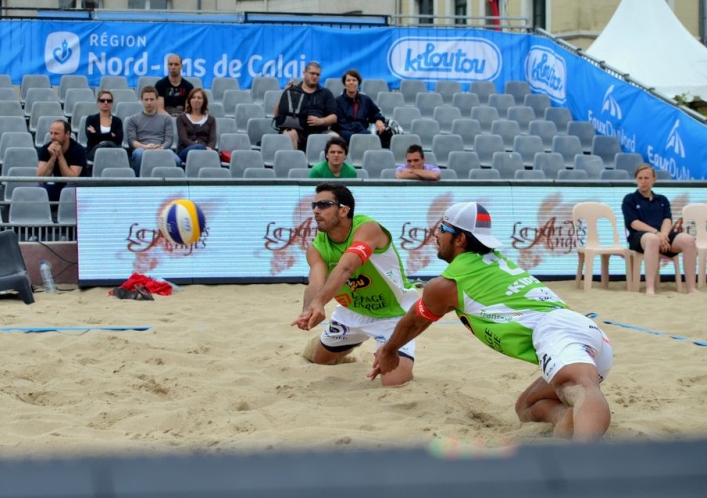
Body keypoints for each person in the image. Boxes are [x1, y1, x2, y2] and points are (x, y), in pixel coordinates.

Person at [369, 201, 614, 442]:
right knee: (527, 406)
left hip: (555, 328)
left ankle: (585, 459)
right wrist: (391, 349)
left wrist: (389, 350)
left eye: (442, 230)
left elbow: (413, 321)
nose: (436, 236)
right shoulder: (490, 261)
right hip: (586, 336)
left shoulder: (447, 285)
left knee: (580, 387)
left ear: (460, 239)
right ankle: (566, 418)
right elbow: (422, 319)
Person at [291, 183, 419, 387]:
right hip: (352, 313)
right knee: (319, 359)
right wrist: (309, 310)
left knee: (394, 381)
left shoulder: (368, 229)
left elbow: (347, 267)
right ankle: (350, 341)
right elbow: (316, 282)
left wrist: (321, 301)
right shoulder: (317, 247)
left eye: (324, 204)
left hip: (394, 314)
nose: (316, 210)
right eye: (314, 205)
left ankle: (384, 346)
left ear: (343, 210)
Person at [621, 164, 697, 294]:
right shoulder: (630, 199)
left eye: (646, 178)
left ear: (654, 179)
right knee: (652, 239)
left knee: (688, 240)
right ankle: (650, 287)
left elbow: (667, 220)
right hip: (639, 237)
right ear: (636, 180)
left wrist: (663, 235)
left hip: (662, 235)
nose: (643, 181)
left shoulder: (662, 199)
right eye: (640, 178)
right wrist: (657, 234)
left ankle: (691, 288)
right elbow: (634, 223)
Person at [273, 61, 338, 151]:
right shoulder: (293, 91)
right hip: (296, 130)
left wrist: (321, 121)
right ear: (304, 73)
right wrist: (285, 92)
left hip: (319, 131)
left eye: (317, 74)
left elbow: (334, 117)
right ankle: (294, 163)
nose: (315, 76)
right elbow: (276, 114)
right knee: (290, 134)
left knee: (335, 137)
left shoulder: (326, 93)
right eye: (312, 73)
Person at [125, 86, 178, 176]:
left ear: (157, 100)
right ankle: (137, 182)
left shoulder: (166, 119)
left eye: (152, 99)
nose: (149, 102)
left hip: (161, 148)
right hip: (142, 148)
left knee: (177, 160)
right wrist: (145, 146)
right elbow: (131, 141)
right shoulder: (132, 120)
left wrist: (161, 147)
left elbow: (169, 139)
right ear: (142, 100)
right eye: (146, 99)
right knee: (138, 154)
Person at [36, 119, 86, 202]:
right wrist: (52, 158)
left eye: (56, 134)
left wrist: (60, 156)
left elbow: (71, 180)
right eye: (51, 133)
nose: (52, 137)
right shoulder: (46, 149)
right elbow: (40, 179)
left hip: (77, 189)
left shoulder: (78, 150)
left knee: (68, 189)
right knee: (40, 190)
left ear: (67, 134)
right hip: (59, 187)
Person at [334, 69, 386, 144]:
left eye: (354, 80)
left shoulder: (366, 100)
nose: (351, 83)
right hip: (344, 132)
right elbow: (340, 122)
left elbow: (375, 113)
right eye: (348, 80)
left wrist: (378, 120)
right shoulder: (338, 101)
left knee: (372, 138)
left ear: (358, 83)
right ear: (345, 83)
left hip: (362, 131)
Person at [176, 88, 217, 163]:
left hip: (206, 152)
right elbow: (183, 139)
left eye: (199, 98)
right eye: (193, 97)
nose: (196, 100)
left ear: (203, 101)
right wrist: (200, 147)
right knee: (199, 147)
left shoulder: (211, 120)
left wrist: (209, 148)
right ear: (189, 100)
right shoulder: (181, 118)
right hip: (185, 151)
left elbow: (212, 140)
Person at [84, 90, 124, 165]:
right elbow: (91, 137)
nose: (106, 102)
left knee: (108, 145)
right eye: (102, 100)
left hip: (113, 151)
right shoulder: (91, 119)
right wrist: (109, 135)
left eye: (109, 101)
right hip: (94, 151)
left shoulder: (117, 121)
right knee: (107, 144)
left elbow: (118, 139)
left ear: (112, 103)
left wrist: (97, 135)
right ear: (98, 103)